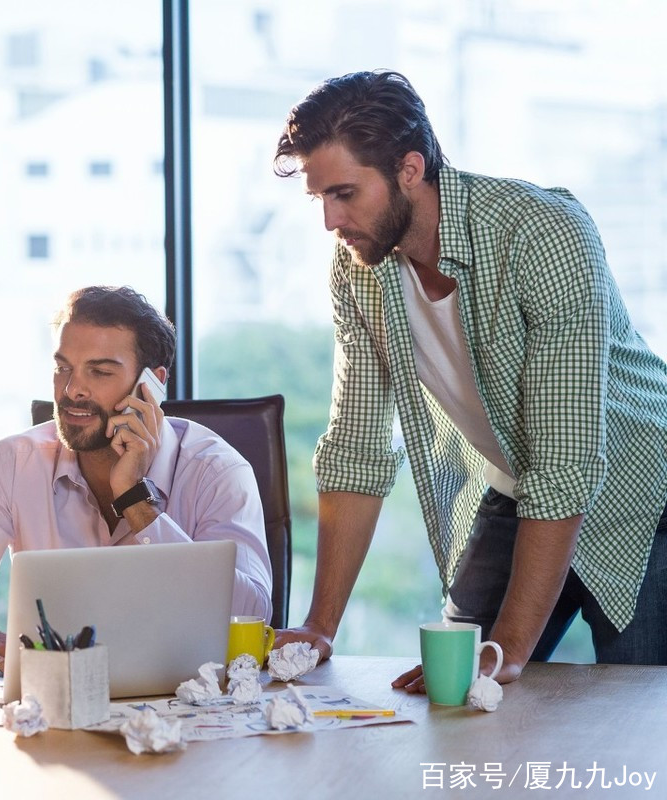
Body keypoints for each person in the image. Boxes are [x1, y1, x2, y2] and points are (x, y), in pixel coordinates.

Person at [270, 69, 667, 689]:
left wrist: (506, 651)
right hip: (520, 484)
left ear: (409, 168)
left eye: (345, 194)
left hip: (643, 493)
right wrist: (319, 627)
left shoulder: (541, 233)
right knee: (451, 686)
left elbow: (567, 463)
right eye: (320, 198)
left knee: (641, 709)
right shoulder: (360, 268)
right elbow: (356, 449)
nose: (330, 220)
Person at [0, 286, 272, 678]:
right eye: (63, 367)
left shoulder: (216, 472)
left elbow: (251, 617)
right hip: (57, 713)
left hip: (193, 713)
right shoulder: (12, 463)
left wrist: (135, 499)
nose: (72, 389)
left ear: (153, 384)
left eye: (100, 371)